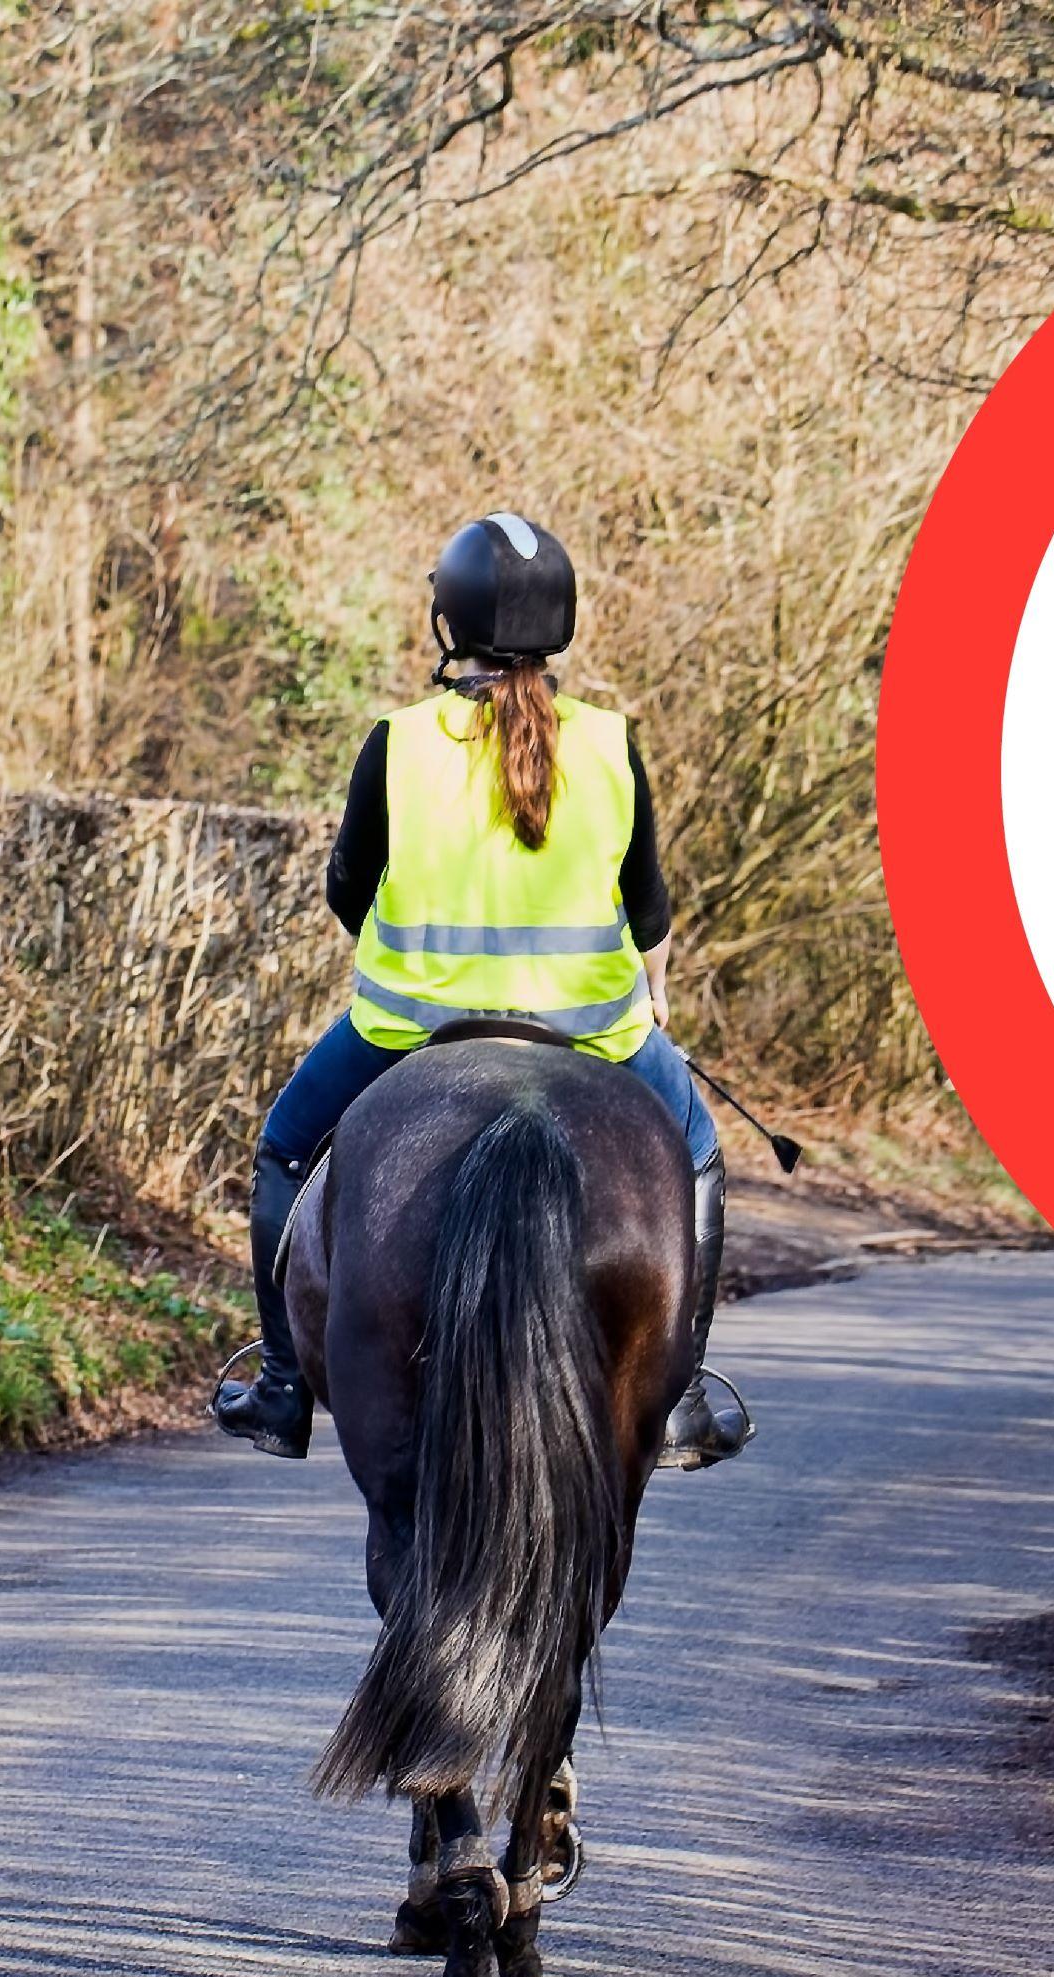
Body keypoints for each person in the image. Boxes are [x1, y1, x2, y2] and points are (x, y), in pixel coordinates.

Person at [209, 511, 750, 1471]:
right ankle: (678, 1399)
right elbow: (649, 909)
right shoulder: (611, 744)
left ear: (447, 622)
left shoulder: (401, 742)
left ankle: (284, 1389)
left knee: (284, 1151)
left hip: (411, 1024)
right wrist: (651, 1000)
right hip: (594, 1029)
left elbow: (349, 890)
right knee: (700, 1156)